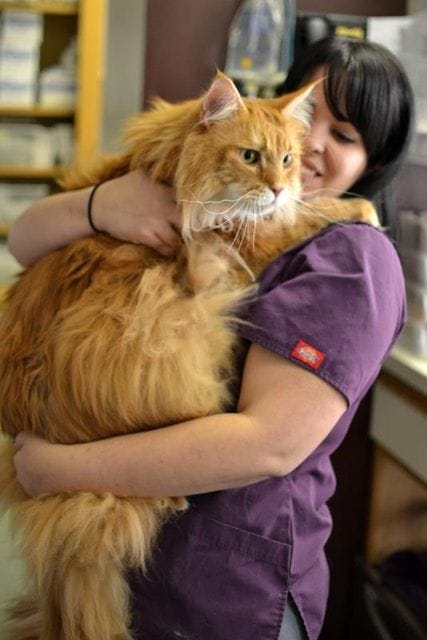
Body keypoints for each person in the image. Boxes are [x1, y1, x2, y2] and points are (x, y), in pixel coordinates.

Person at [8, 37, 414, 640]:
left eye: (345, 136)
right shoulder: (215, 195)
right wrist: (102, 203)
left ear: (372, 165)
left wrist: (58, 470)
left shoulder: (352, 258)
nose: (311, 145)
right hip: (146, 568)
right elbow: (23, 240)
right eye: (310, 117)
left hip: (228, 593)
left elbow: (269, 445)